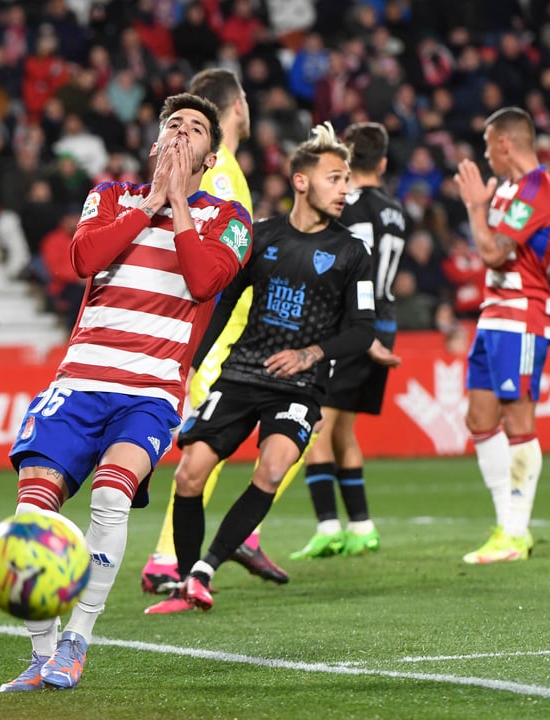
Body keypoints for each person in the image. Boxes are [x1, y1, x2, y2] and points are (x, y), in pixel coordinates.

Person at [0, 93, 251, 691]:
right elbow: (83, 256)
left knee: (110, 498)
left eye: (195, 129)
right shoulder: (111, 196)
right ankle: (41, 654)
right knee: (31, 516)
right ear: (154, 143)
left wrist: (179, 207)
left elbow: (203, 279)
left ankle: (77, 641)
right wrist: (152, 205)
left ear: (210, 157)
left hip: (149, 392)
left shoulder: (228, 219)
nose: (182, 134)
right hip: (79, 381)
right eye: (173, 125)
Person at [144, 123, 376, 614]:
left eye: (348, 180)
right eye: (335, 178)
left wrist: (312, 354)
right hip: (243, 374)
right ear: (300, 181)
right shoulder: (262, 237)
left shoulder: (353, 253)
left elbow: (361, 330)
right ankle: (188, 582)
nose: (345, 189)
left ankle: (205, 570)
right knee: (189, 475)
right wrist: (190, 364)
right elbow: (224, 305)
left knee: (271, 468)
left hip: (302, 385)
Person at [141, 68, 292, 594]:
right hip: (223, 335)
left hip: (230, 333)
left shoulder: (228, 168)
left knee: (223, 444)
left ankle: (239, 537)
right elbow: (218, 261)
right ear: (237, 105)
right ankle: (166, 559)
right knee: (203, 444)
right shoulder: (222, 172)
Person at [452, 107, 550, 564]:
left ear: (504, 143)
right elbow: (489, 251)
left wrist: (476, 207)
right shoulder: (509, 191)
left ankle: (515, 533)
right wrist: (482, 207)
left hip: (522, 317)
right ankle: (506, 525)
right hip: (493, 315)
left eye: (487, 146)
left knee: (518, 419)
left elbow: (494, 253)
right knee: (480, 418)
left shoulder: (540, 189)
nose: (484, 156)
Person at [291, 122, 407, 560]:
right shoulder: (395, 209)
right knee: (344, 431)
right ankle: (361, 526)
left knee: (317, 426)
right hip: (386, 321)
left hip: (354, 323)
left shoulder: (352, 204)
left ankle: (327, 527)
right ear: (384, 162)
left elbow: (340, 251)